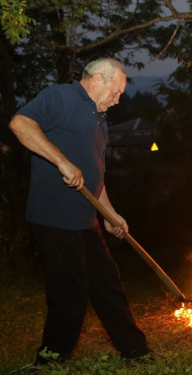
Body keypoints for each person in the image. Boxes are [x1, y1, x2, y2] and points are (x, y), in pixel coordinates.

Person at [9, 57, 162, 365]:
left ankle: (134, 350)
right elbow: (20, 124)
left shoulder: (99, 120)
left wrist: (110, 215)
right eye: (116, 91)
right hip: (54, 215)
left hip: (86, 218)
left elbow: (96, 176)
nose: (118, 100)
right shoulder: (60, 96)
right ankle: (51, 358)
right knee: (71, 289)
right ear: (96, 80)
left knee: (108, 284)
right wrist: (61, 161)